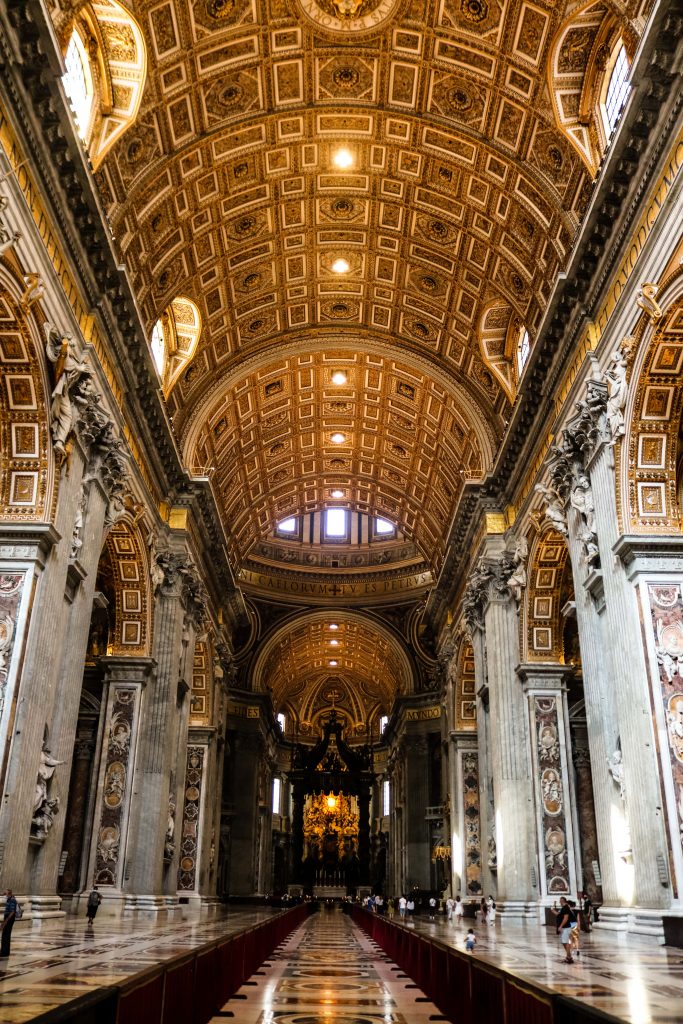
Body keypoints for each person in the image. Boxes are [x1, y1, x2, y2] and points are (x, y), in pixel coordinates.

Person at [556, 896, 576, 963]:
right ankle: (569, 956)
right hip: (566, 927)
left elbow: (566, 918)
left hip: (566, 927)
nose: (559, 902)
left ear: (562, 901)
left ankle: (569, 957)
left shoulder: (565, 908)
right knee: (564, 942)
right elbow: (559, 915)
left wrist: (560, 926)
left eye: (560, 901)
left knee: (565, 942)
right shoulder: (564, 908)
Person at [0, 890, 17, 958]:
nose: (4, 893)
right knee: (4, 934)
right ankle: (4, 950)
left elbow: (12, 911)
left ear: (9, 893)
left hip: (9, 918)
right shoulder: (9, 899)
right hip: (7, 917)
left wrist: (6, 921)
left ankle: (5, 952)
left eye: (5, 892)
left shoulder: (12, 900)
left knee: (6, 935)